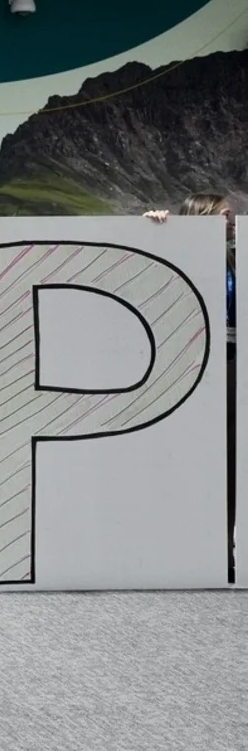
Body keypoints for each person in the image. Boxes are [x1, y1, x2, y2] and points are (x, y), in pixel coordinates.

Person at [145, 193, 236, 579]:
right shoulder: (177, 254)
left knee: (230, 460)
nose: (233, 223)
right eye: (225, 218)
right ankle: (178, 544)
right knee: (183, 455)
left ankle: (224, 548)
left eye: (233, 219)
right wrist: (152, 227)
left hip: (231, 364)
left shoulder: (237, 261)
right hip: (184, 366)